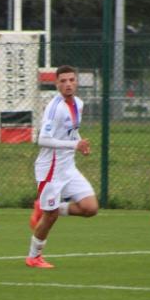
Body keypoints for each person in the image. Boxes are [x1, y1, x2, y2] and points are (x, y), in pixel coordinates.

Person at [27, 65, 98, 269]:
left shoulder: (78, 103)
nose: (68, 84)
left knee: (90, 208)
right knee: (50, 217)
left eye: (71, 80)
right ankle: (33, 257)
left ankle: (45, 207)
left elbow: (71, 132)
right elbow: (43, 139)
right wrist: (73, 145)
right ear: (57, 83)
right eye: (63, 81)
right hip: (50, 169)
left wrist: (79, 145)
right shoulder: (53, 107)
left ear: (76, 82)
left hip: (68, 167)